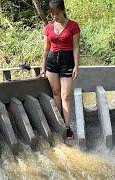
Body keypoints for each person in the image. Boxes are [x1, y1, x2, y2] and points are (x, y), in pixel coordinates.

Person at [39, 0, 80, 139]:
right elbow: (46, 49)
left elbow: (76, 47)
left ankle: (67, 127)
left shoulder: (73, 26)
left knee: (66, 96)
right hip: (52, 61)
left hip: (67, 62)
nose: (54, 16)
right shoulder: (48, 28)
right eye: (52, 13)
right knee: (56, 93)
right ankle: (59, 124)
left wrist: (76, 65)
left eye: (57, 13)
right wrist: (43, 67)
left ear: (63, 10)